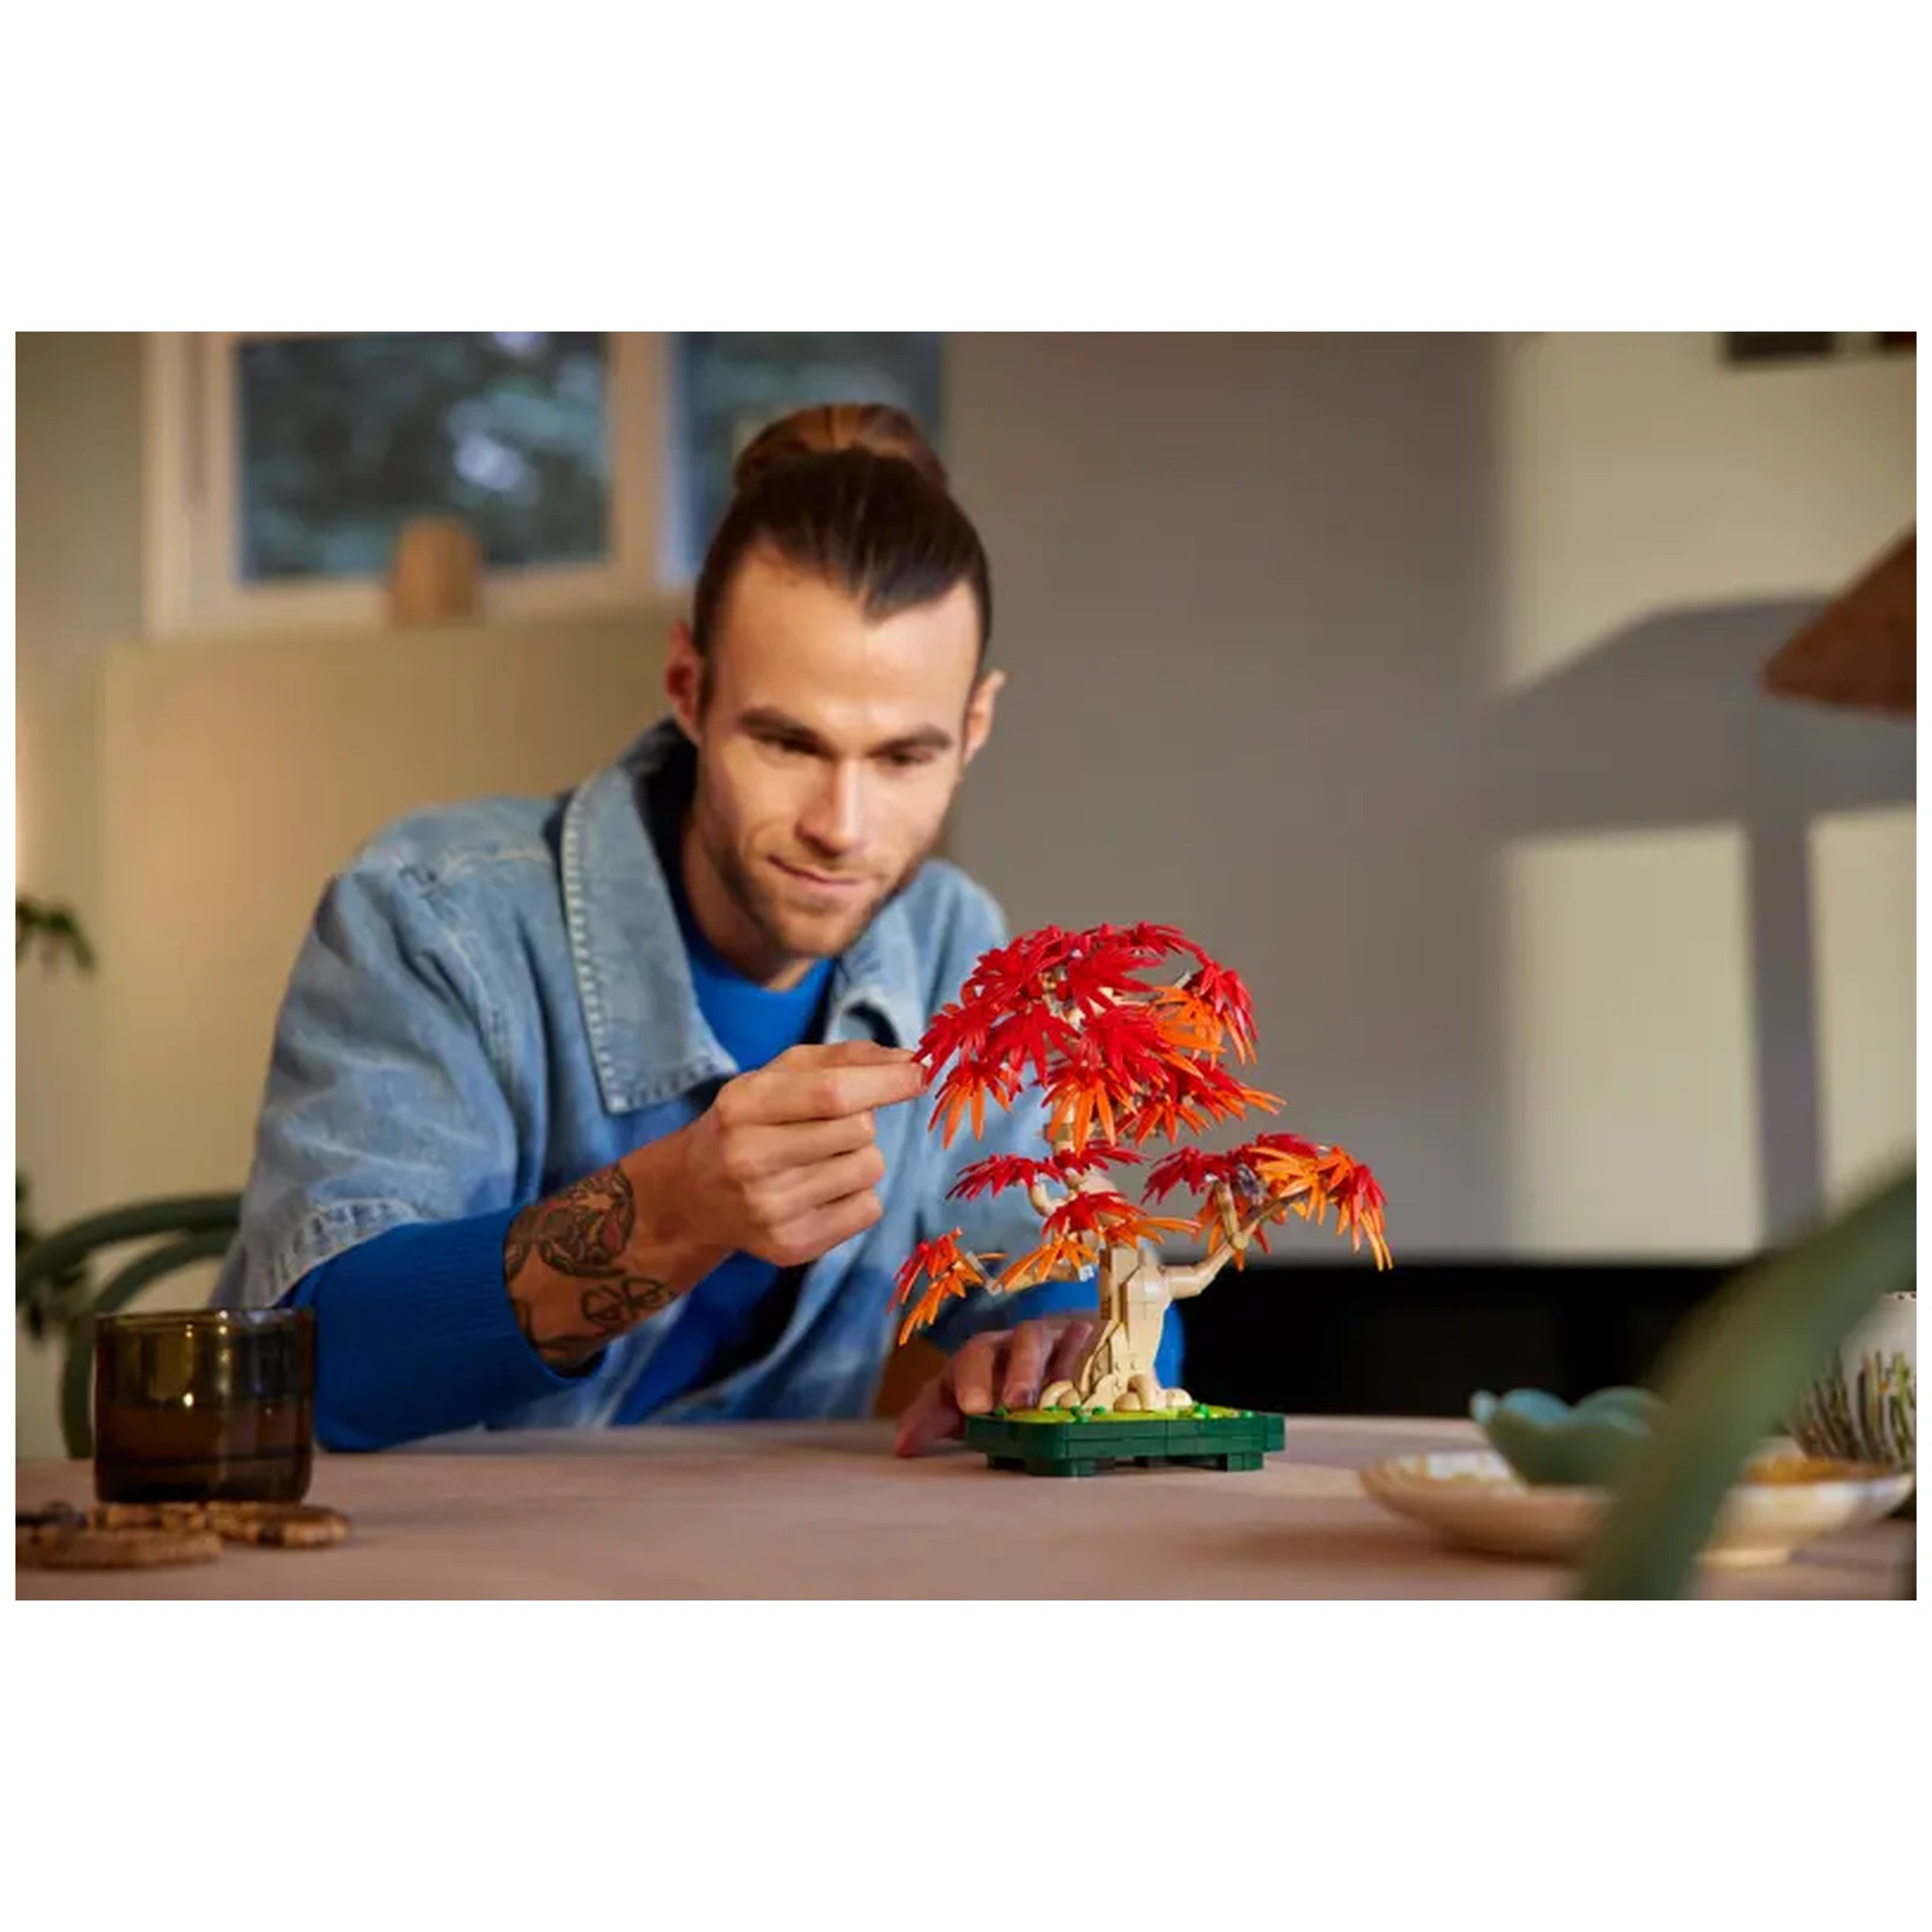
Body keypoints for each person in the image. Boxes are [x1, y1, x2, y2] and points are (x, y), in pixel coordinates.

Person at [213, 403, 1182, 1454]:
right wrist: (674, 1211)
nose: (841, 828)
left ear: (975, 728)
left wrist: (1065, 1342)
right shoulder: (434, 916)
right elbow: (311, 1364)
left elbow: (1060, 1272)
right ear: (689, 687)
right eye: (786, 742)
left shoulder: (953, 943)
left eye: (905, 757)